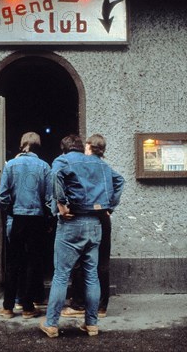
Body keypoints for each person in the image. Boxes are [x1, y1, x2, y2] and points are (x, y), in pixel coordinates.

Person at [39, 134, 124, 338]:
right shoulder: (99, 164)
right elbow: (120, 180)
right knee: (91, 275)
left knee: (61, 275)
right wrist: (110, 206)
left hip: (71, 222)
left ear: (64, 148)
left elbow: (55, 175)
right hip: (95, 223)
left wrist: (60, 203)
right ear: (82, 146)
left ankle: (51, 324)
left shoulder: (64, 160)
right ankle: (91, 324)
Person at [61, 134, 125, 319]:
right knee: (103, 262)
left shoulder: (85, 164)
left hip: (86, 214)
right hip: (103, 216)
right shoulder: (105, 166)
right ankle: (102, 307)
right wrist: (110, 207)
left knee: (82, 259)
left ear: (89, 146)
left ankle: (79, 304)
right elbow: (120, 181)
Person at [0, 132, 51, 319]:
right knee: (32, 262)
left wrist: (8, 209)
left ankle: (8, 307)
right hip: (36, 219)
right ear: (38, 145)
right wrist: (48, 218)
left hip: (17, 218)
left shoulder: (11, 165)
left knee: (13, 263)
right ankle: (28, 308)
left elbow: (1, 198)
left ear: (22, 145)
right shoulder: (44, 166)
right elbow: (50, 199)